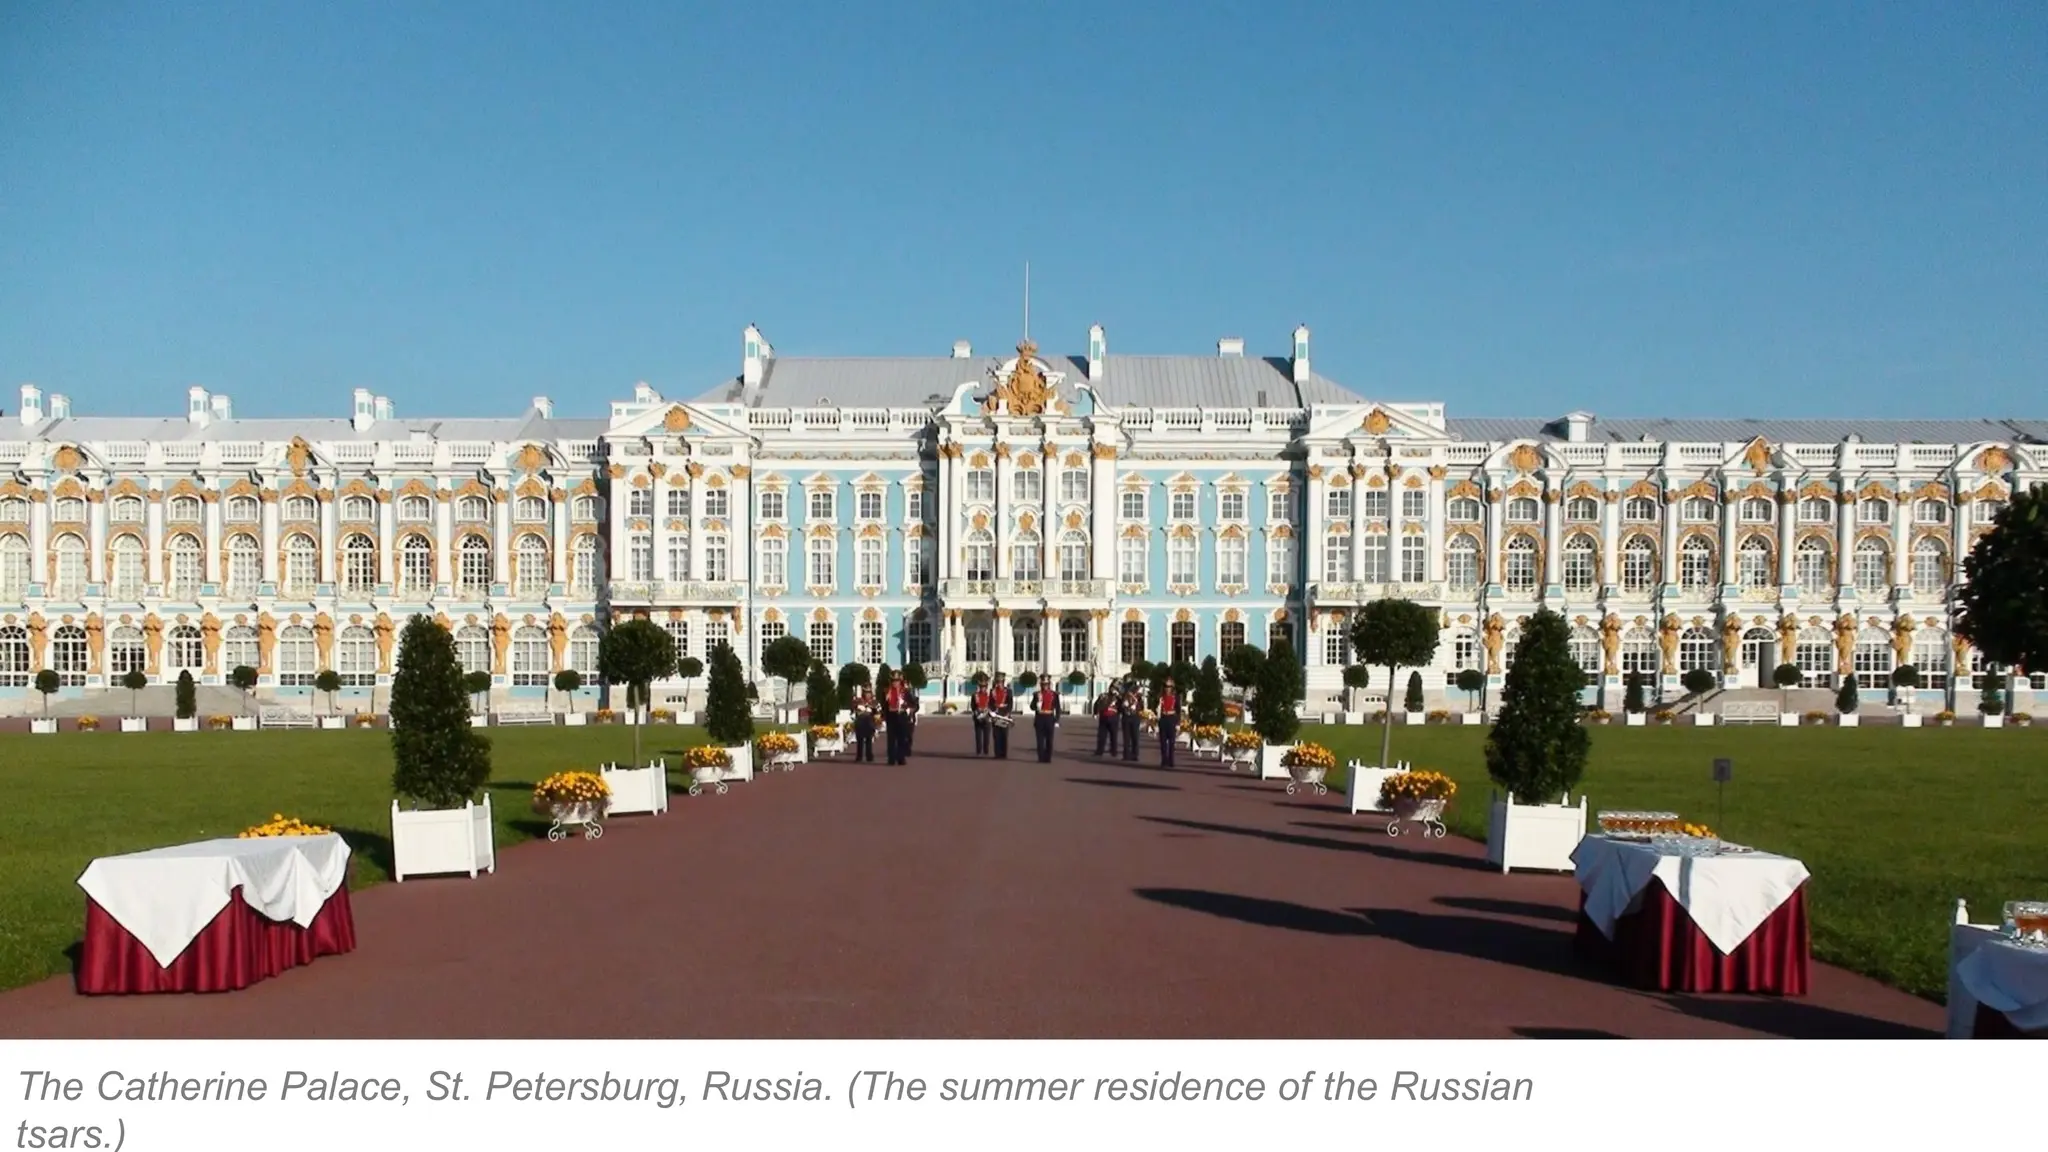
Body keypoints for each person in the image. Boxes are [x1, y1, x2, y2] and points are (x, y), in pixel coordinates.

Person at [881, 673, 911, 765]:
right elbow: (883, 705)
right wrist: (883, 716)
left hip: (901, 716)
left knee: (901, 738)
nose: (895, 683)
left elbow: (913, 704)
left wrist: (907, 708)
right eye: (893, 681)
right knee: (891, 739)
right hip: (891, 717)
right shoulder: (887, 691)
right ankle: (891, 759)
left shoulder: (905, 692)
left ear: (900, 681)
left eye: (897, 681)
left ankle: (901, 758)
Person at [1031, 674, 1061, 762]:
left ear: (1049, 684)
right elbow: (1032, 707)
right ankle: (1040, 758)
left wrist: (1057, 719)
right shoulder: (1037, 694)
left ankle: (1048, 758)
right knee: (1040, 741)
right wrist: (1036, 705)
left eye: (1046, 684)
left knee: (1049, 740)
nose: (1044, 686)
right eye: (1043, 684)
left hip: (1049, 718)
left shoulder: (1054, 695)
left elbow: (1057, 707)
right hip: (1040, 718)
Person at [988, 673, 1015, 759]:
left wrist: (1008, 713)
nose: (999, 684)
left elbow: (1010, 703)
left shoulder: (1008, 691)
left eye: (1000, 682)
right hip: (996, 715)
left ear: (1003, 682)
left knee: (1004, 735)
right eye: (997, 682)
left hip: (1004, 714)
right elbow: (990, 703)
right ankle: (997, 753)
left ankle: (1004, 753)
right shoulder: (992, 691)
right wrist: (992, 712)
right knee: (996, 735)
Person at [1157, 676, 1182, 767]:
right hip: (1163, 718)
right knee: (1163, 742)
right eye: (1166, 687)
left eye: (1169, 687)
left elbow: (1178, 710)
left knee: (1171, 742)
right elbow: (1157, 708)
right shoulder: (1161, 697)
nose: (1167, 689)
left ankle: (1171, 760)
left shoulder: (1176, 697)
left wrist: (1178, 723)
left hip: (1171, 719)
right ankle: (1164, 760)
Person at [850, 689, 878, 762]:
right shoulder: (858, 701)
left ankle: (869, 756)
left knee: (869, 740)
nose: (868, 695)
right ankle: (859, 756)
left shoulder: (873, 702)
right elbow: (853, 710)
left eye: (869, 693)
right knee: (860, 741)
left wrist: (872, 709)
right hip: (860, 722)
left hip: (869, 723)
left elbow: (876, 712)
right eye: (866, 693)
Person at [1119, 680, 1142, 762]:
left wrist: (1136, 707)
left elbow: (1141, 707)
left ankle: (1135, 754)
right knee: (1126, 738)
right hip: (1126, 718)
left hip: (1135, 717)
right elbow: (1120, 707)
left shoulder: (1138, 697)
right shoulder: (1124, 697)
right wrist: (1124, 707)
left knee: (1135, 737)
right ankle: (1126, 755)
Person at [971, 678, 993, 756]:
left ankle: (986, 750)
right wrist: (976, 712)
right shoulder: (975, 695)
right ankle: (979, 750)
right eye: (981, 687)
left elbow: (991, 705)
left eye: (984, 687)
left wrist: (988, 712)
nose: (983, 688)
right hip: (978, 717)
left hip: (987, 717)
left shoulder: (990, 696)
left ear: (986, 687)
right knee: (978, 736)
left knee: (987, 736)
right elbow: (973, 706)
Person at [1094, 688, 1119, 756]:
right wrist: (1096, 712)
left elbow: (1121, 706)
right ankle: (1099, 751)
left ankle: (1114, 751)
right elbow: (1097, 703)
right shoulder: (1103, 695)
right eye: (1112, 688)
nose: (1113, 690)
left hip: (1113, 718)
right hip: (1104, 717)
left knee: (1113, 736)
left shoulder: (1118, 697)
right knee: (1102, 736)